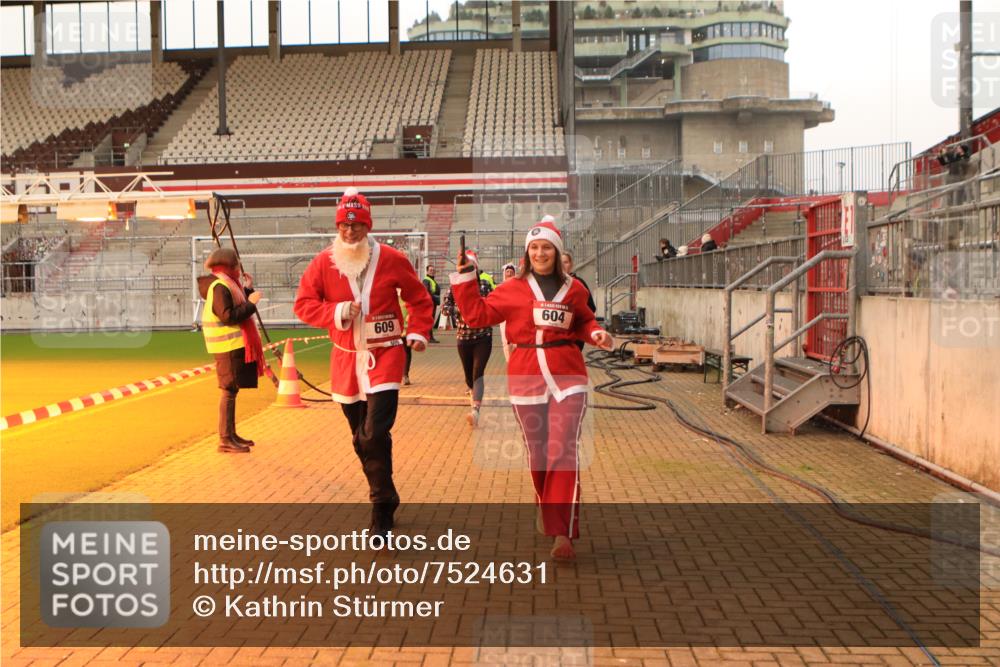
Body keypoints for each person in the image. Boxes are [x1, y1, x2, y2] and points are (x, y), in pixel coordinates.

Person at [450, 216, 614, 561]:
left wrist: (596, 333)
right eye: (535, 247)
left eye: (547, 248)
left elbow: (584, 320)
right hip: (526, 377)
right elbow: (477, 315)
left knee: (563, 449)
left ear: (557, 251)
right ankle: (546, 505)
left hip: (568, 376)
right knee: (538, 454)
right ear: (527, 252)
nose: (540, 253)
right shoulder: (512, 288)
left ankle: (562, 533)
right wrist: (465, 278)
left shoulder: (575, 289)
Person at [294, 188, 433, 536]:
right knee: (361, 439)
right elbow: (303, 305)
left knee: (374, 433)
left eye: (357, 225)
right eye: (344, 225)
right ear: (337, 226)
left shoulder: (392, 258)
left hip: (385, 355)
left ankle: (380, 507)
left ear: (368, 226)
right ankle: (387, 494)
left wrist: (418, 331)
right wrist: (338, 311)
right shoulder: (323, 262)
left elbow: (419, 298)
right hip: (346, 361)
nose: (350, 231)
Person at [198, 247, 264, 454]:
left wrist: (248, 290)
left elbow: (236, 304)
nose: (238, 267)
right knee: (228, 391)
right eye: (236, 264)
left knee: (232, 390)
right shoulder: (220, 286)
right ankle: (225, 438)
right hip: (227, 346)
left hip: (231, 346)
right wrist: (251, 304)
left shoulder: (225, 283)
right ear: (229, 265)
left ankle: (230, 434)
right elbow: (228, 316)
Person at [443, 250, 494, 427]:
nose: (468, 270)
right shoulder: (454, 286)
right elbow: (445, 308)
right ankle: (473, 395)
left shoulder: (484, 285)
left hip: (483, 336)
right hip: (463, 337)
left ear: (476, 268)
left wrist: (478, 310)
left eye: (471, 267)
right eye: (465, 267)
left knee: (477, 373)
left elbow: (492, 305)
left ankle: (475, 410)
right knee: (468, 376)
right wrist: (462, 309)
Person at [560, 251, 597, 352]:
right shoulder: (551, 283)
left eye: (565, 262)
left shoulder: (579, 283)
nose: (562, 265)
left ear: (571, 264)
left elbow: (591, 307)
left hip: (574, 333)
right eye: (560, 262)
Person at [499, 263, 516, 361]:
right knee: (506, 342)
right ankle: (509, 361)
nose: (509, 274)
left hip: (516, 318)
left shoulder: (519, 287)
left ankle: (516, 362)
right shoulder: (500, 287)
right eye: (507, 271)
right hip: (504, 319)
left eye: (511, 272)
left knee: (516, 342)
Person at [423, 265, 441, 343]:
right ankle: (429, 337)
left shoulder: (431, 280)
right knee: (429, 320)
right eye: (430, 270)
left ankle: (429, 337)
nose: (432, 271)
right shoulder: (426, 280)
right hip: (430, 303)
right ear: (427, 271)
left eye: (433, 270)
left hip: (432, 303)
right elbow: (427, 293)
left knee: (430, 320)